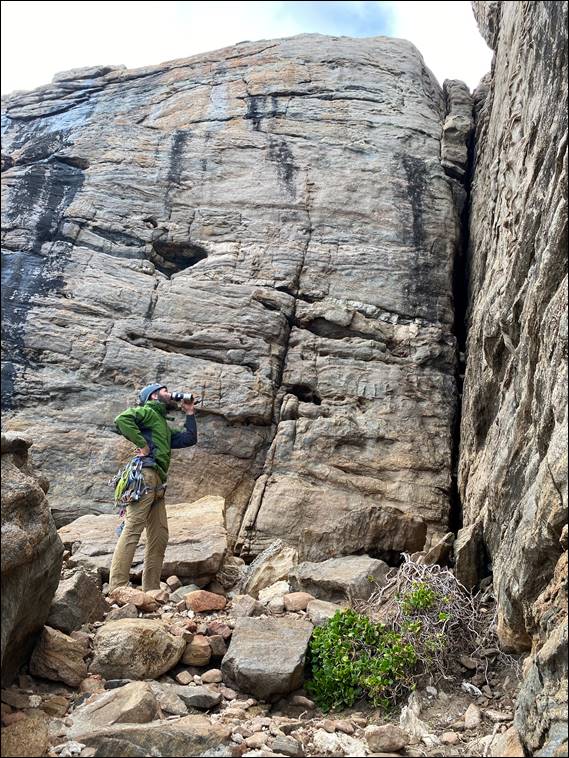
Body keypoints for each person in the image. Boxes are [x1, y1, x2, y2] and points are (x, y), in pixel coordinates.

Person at [108, 383, 197, 592]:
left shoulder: (162, 423)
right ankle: (117, 588)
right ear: (154, 396)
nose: (170, 393)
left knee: (160, 537)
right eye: (165, 390)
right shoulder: (148, 412)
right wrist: (142, 445)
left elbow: (189, 439)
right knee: (133, 528)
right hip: (145, 476)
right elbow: (122, 420)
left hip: (158, 483)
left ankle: (151, 590)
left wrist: (190, 413)